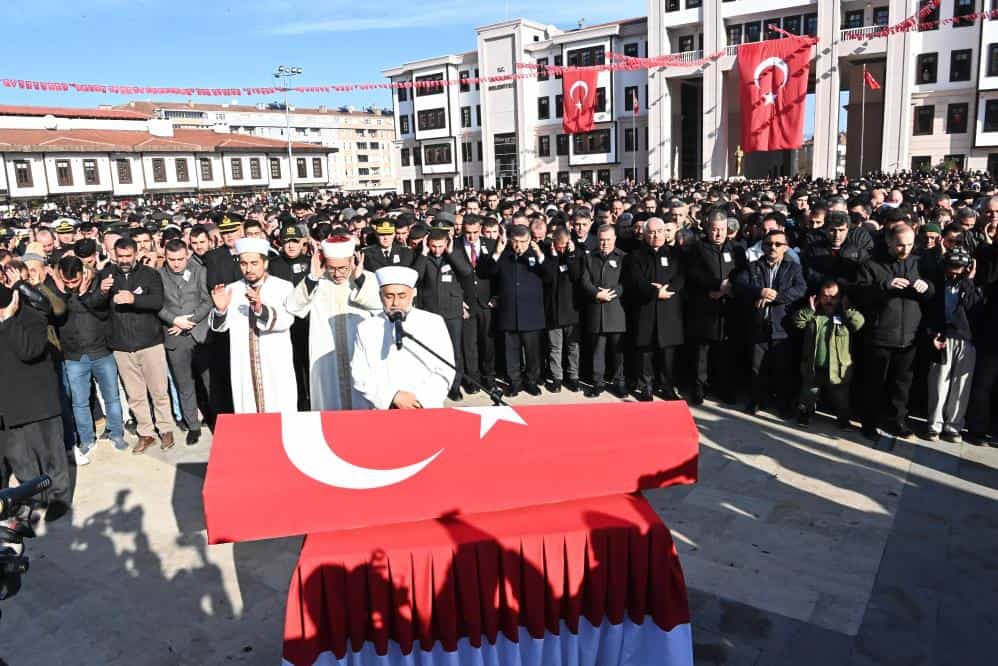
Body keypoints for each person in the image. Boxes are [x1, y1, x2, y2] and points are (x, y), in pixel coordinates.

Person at [854, 224, 935, 439]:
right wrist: (885, 286)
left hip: (909, 336)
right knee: (874, 383)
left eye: (909, 244)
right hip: (880, 335)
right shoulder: (871, 265)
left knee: (902, 385)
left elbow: (933, 292)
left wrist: (926, 287)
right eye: (900, 244)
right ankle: (869, 422)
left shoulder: (919, 262)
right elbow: (860, 294)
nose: (905, 249)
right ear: (889, 241)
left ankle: (898, 421)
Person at [0, 284, 72, 521]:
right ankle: (35, 499)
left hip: (38, 402)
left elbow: (29, 350)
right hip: (8, 408)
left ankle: (59, 499)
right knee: (22, 462)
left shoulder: (32, 317)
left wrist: (8, 320)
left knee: (51, 456)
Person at [286, 235, 381, 411]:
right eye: (332, 268)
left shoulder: (366, 279)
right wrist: (312, 277)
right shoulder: (318, 281)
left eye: (343, 268)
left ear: (352, 260)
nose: (337, 274)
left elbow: (381, 306)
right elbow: (292, 306)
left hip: (358, 356)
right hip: (326, 361)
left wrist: (358, 279)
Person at [209, 237, 298, 414]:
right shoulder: (231, 290)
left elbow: (287, 320)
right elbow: (219, 327)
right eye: (243, 264)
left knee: (280, 407)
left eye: (254, 263)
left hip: (275, 363)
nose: (248, 269)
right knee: (248, 409)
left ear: (265, 263)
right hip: (243, 364)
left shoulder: (283, 287)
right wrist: (220, 310)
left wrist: (260, 308)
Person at [104, 237, 175, 454]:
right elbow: (97, 308)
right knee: (135, 394)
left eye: (128, 256)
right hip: (122, 346)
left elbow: (157, 302)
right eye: (120, 256)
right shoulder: (106, 276)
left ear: (135, 254)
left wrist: (134, 300)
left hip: (149, 342)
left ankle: (166, 429)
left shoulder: (149, 274)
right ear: (114, 255)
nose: (124, 260)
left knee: (159, 390)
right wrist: (101, 291)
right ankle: (146, 433)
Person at [51, 255, 128, 454]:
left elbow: (101, 309)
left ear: (83, 273)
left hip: (101, 352)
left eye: (74, 281)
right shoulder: (57, 290)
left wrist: (85, 292)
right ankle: (86, 439)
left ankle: (117, 433)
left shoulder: (97, 283)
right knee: (79, 402)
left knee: (111, 397)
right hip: (74, 356)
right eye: (66, 281)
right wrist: (61, 290)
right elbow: (56, 311)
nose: (71, 285)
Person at [351, 266, 455, 409]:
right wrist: (392, 397)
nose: (395, 303)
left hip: (423, 409)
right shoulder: (366, 328)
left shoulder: (433, 323)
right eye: (389, 296)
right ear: (380, 295)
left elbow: (445, 369)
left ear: (413, 294)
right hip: (382, 410)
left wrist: (419, 401)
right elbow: (359, 373)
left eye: (402, 296)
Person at [735, 229, 807, 415]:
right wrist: (760, 292)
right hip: (759, 325)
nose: (772, 247)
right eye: (768, 244)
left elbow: (800, 289)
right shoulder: (753, 266)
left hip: (782, 326)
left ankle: (783, 404)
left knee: (782, 368)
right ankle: (756, 400)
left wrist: (775, 296)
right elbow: (741, 285)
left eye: (778, 244)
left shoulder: (794, 268)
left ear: (786, 248)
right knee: (756, 366)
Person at [478, 225, 549, 397]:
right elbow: (486, 272)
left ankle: (531, 381)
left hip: (531, 313)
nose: (519, 246)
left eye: (523, 242)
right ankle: (514, 382)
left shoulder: (536, 255)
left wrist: (539, 255)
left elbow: (549, 276)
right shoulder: (504, 254)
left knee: (532, 353)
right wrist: (497, 252)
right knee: (511, 352)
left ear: (530, 240)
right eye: (515, 242)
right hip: (509, 312)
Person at [922, 245, 981, 442]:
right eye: (951, 266)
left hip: (966, 339)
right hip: (943, 337)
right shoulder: (938, 285)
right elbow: (930, 312)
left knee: (961, 386)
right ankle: (934, 425)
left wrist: (969, 281)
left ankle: (954, 426)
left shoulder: (970, 287)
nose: (954, 271)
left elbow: (974, 308)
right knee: (939, 384)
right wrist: (932, 334)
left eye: (959, 267)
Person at [623, 217, 686, 402]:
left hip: (669, 309)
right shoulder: (635, 256)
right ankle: (646, 387)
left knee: (668, 352)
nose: (656, 235)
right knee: (645, 352)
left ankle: (667, 387)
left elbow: (681, 277)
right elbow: (636, 280)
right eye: (651, 232)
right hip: (646, 309)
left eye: (659, 231)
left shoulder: (676, 254)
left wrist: (668, 290)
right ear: (644, 234)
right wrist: (655, 292)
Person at [158, 239, 213, 443]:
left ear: (187, 255)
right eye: (171, 259)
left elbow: (208, 300)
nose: (176, 263)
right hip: (174, 337)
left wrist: (188, 321)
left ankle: (214, 419)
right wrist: (174, 320)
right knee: (184, 384)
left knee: (208, 383)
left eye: (180, 259)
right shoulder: (159, 275)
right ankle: (193, 425)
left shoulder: (199, 270)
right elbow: (157, 304)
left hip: (199, 334)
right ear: (165, 257)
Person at [685, 211, 744, 404]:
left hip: (729, 308)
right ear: (707, 228)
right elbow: (693, 274)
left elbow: (743, 274)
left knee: (725, 353)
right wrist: (716, 286)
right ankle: (699, 387)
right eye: (714, 229)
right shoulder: (697, 248)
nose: (718, 233)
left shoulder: (737, 249)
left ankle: (724, 388)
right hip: (705, 307)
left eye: (722, 229)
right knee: (702, 352)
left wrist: (730, 289)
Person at [412, 228, 474, 400]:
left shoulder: (454, 255)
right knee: (432, 350)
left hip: (452, 310)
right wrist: (424, 253)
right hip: (431, 311)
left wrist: (452, 253)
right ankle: (435, 384)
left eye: (440, 246)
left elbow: (466, 272)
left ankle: (454, 385)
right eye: (433, 246)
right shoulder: (424, 256)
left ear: (447, 244)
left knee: (455, 351)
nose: (437, 250)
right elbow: (415, 277)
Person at [793, 280, 864, 427]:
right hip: (813, 366)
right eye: (825, 296)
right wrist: (810, 310)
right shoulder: (814, 314)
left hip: (838, 368)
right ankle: (805, 415)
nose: (829, 300)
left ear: (840, 298)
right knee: (808, 394)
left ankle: (843, 420)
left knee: (841, 398)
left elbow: (858, 323)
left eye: (833, 296)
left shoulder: (846, 316)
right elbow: (798, 321)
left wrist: (847, 309)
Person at [580, 223, 627, 398]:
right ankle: (597, 382)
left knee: (617, 351)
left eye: (608, 240)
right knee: (597, 350)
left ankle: (619, 381)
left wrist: (612, 295)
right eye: (601, 240)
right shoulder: (589, 257)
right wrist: (596, 293)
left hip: (616, 310)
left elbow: (625, 282)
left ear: (614, 239)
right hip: (596, 309)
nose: (604, 243)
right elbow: (584, 281)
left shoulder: (623, 257)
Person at [270, 224, 313, 411]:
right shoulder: (273, 265)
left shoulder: (312, 262)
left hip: (309, 323)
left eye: (295, 241)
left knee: (310, 365)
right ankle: (297, 402)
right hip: (284, 325)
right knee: (290, 367)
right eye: (287, 242)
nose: (291, 246)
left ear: (302, 241)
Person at [456, 215, 498, 393]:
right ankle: (473, 379)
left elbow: (498, 275)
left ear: (480, 230)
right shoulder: (455, 245)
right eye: (468, 233)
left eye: (474, 232)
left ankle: (489, 378)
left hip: (487, 302)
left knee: (487, 343)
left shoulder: (491, 245)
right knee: (469, 344)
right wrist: (458, 300)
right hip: (466, 303)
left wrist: (497, 296)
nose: (471, 237)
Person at [542, 227, 584, 393]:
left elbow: (576, 276)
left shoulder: (576, 254)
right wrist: (553, 257)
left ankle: (573, 377)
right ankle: (557, 378)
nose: (561, 248)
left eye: (564, 245)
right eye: (558, 246)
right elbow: (548, 277)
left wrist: (571, 255)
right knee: (555, 347)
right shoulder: (548, 254)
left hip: (572, 309)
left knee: (573, 346)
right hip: (553, 310)